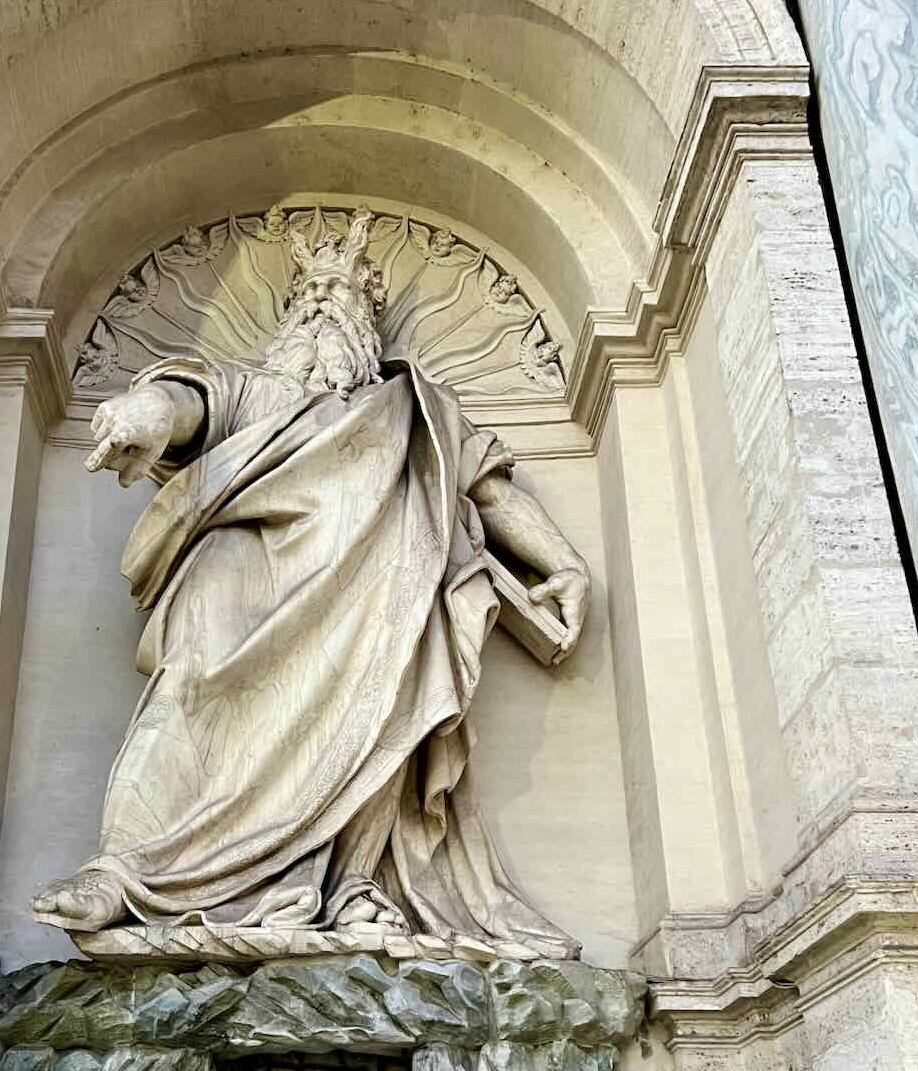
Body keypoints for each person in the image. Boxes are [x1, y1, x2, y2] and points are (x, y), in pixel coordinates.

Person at [34, 211, 590, 956]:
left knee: (400, 661)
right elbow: (191, 401)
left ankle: (350, 883)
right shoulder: (262, 396)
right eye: (312, 302)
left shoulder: (416, 411)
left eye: (345, 302)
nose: (326, 313)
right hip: (241, 591)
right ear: (291, 319)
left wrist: (563, 563)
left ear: (369, 324)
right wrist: (146, 412)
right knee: (189, 681)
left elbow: (489, 493)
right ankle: (128, 871)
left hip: (376, 602)